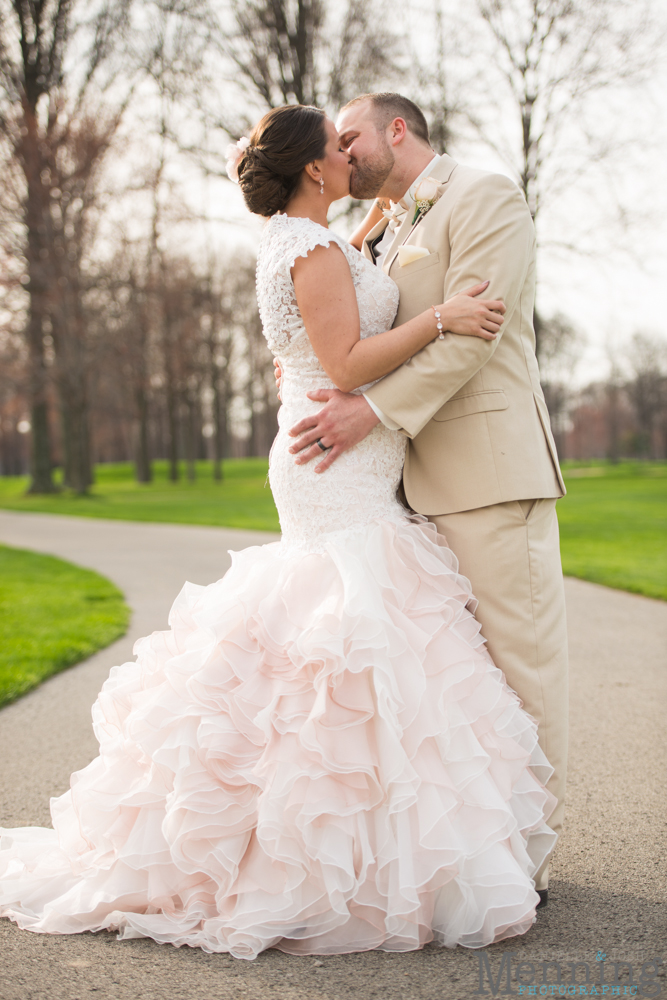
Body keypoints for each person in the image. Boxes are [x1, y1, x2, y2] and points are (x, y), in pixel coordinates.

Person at [0, 103, 556, 960]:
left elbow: (320, 339)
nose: (346, 152)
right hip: (339, 461)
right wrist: (439, 317)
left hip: (356, 458)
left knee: (355, 653)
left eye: (354, 135)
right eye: (336, 146)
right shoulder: (313, 245)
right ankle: (350, 863)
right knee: (346, 644)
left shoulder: (333, 234)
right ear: (311, 170)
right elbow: (341, 362)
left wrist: (332, 346)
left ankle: (381, 851)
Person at [282, 93, 569, 906]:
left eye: (351, 137)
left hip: (484, 473)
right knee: (457, 684)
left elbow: (472, 342)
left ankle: (527, 860)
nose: (339, 153)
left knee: (518, 671)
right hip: (398, 489)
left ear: (396, 130)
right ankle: (470, 854)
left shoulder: (483, 195)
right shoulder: (372, 228)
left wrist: (367, 409)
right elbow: (350, 335)